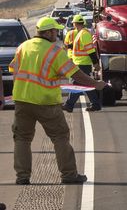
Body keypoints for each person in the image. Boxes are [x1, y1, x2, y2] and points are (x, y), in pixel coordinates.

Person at [8, 17, 108, 185]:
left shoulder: (23, 47)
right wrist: (96, 84)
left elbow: (14, 69)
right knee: (60, 137)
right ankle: (69, 175)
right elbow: (75, 73)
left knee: (22, 139)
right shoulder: (53, 51)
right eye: (54, 30)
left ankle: (22, 177)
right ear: (47, 32)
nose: (57, 33)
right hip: (46, 101)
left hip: (22, 100)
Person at [63, 15, 102, 112]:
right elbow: (79, 45)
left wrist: (96, 63)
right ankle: (95, 104)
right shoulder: (81, 33)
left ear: (75, 24)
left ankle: (69, 105)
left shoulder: (83, 34)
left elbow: (90, 50)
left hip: (82, 63)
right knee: (85, 84)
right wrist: (69, 46)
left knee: (77, 84)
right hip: (80, 63)